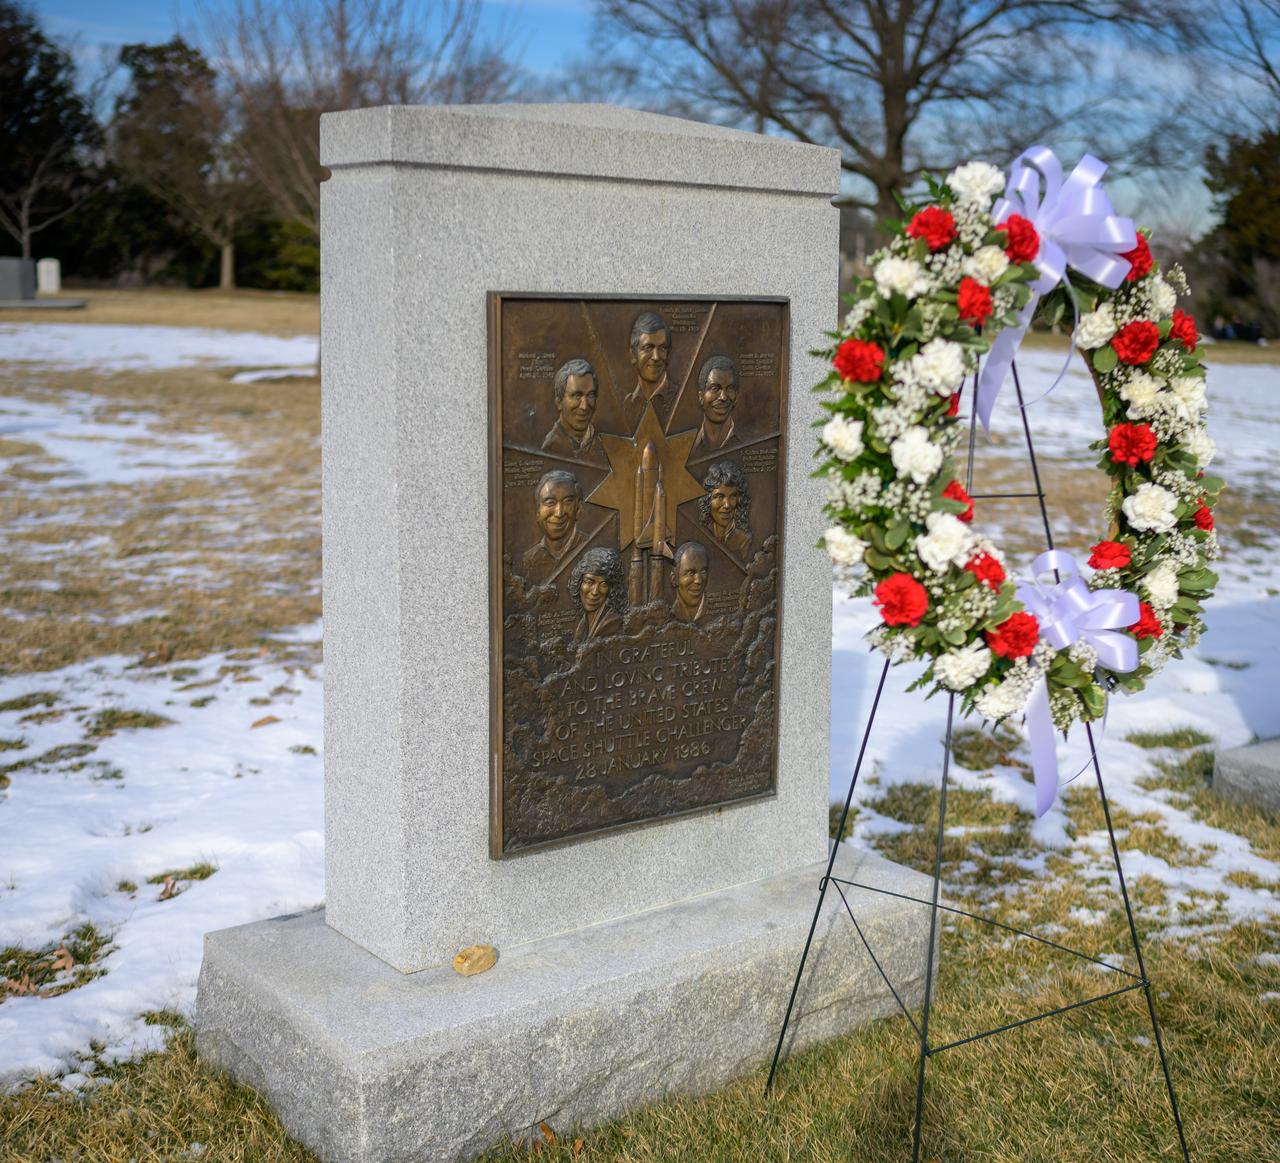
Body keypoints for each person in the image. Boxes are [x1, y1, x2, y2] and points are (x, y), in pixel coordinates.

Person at [520, 469, 587, 581]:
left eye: (567, 502)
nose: (559, 513)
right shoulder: (529, 559)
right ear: (538, 512)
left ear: (579, 509)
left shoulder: (590, 547)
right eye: (550, 502)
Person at [541, 358, 603, 459]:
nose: (584, 406)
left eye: (591, 395)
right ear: (559, 402)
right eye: (577, 396)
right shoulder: (549, 448)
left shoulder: (605, 445)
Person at [621, 310, 672, 429]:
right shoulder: (627, 404)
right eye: (648, 348)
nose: (656, 357)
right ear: (633, 355)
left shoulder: (681, 399)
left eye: (663, 348)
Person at [568, 547, 626, 643]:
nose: (595, 592)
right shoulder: (583, 624)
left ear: (611, 589)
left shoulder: (613, 623)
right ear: (579, 582)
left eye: (603, 584)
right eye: (589, 582)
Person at [698, 460, 752, 558]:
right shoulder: (700, 534)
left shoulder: (743, 541)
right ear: (708, 500)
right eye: (720, 497)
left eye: (732, 496)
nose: (727, 505)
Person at [692, 355, 739, 453]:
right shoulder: (687, 447)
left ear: (736, 396)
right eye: (715, 388)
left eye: (730, 389)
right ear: (701, 397)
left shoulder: (748, 440)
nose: (723, 397)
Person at [670, 541, 709, 623]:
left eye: (703, 571)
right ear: (674, 579)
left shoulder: (716, 608)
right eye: (690, 573)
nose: (698, 580)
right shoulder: (668, 614)